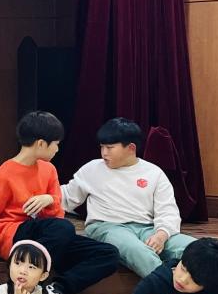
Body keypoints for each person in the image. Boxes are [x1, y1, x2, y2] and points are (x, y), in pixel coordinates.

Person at [0, 111, 119, 294]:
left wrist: (50, 200)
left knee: (108, 254)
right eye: (56, 144)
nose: (57, 150)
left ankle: (57, 289)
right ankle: (27, 284)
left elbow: (56, 216)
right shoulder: (0, 177)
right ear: (41, 144)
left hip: (49, 236)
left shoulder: (49, 169)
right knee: (64, 227)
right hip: (14, 234)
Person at [63, 117, 195, 279]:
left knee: (195, 248)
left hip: (147, 229)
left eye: (110, 147)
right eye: (102, 147)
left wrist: (161, 235)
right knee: (137, 250)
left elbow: (168, 210)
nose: (104, 153)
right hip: (107, 227)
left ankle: (209, 291)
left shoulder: (154, 173)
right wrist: (43, 197)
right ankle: (166, 287)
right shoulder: (92, 169)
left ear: (131, 148)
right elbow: (66, 196)